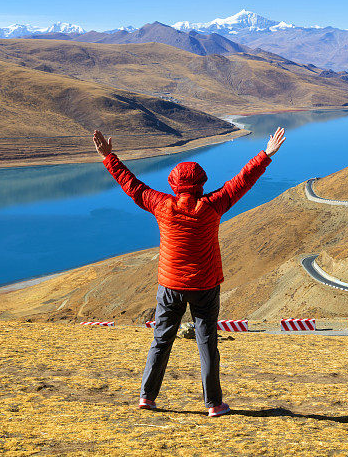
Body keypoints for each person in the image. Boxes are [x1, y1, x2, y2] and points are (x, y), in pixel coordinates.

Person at [93, 127, 286, 417]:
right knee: (207, 341)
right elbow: (242, 182)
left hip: (170, 285)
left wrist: (109, 158)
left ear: (173, 184)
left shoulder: (162, 205)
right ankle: (214, 404)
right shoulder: (213, 205)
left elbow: (132, 186)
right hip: (205, 286)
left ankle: (147, 397)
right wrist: (265, 154)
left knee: (161, 339)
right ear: (201, 183)